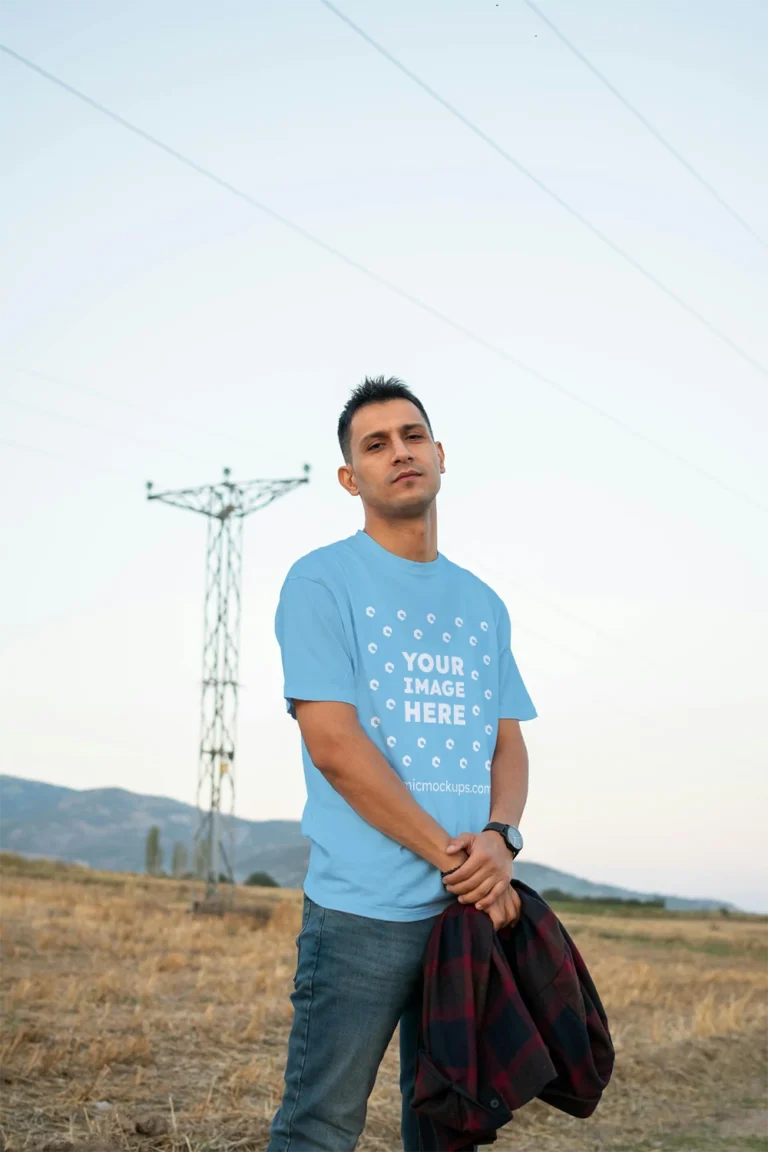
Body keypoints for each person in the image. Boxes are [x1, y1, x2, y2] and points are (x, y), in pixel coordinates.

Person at [267, 376, 537, 1152]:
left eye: (412, 436)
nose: (400, 453)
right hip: (361, 916)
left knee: (449, 1130)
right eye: (376, 444)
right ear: (352, 478)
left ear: (441, 455)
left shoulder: (483, 603)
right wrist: (461, 861)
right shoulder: (321, 581)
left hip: (463, 918)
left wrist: (501, 838)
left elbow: (506, 741)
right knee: (319, 1129)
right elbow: (336, 747)